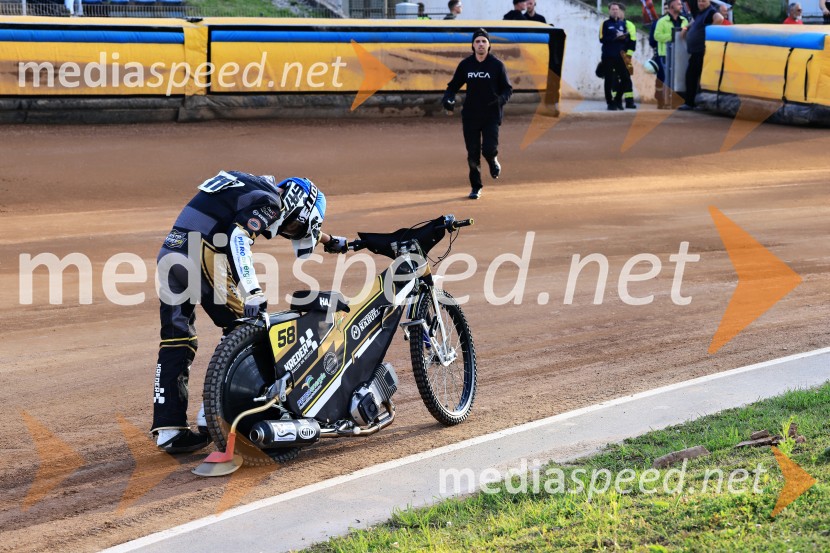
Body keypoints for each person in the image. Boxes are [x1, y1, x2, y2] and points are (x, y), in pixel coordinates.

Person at [151, 171, 347, 453]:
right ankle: (213, 414)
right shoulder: (271, 201)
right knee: (247, 327)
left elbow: (279, 220)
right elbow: (238, 237)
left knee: (177, 341)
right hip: (200, 253)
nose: (287, 229)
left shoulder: (252, 186)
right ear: (297, 202)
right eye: (294, 225)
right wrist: (252, 290)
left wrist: (328, 240)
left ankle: (169, 431)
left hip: (171, 252)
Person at [442, 29, 513, 200]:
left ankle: (492, 160)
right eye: (477, 41)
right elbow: (452, 86)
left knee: (488, 149)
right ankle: (476, 186)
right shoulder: (466, 65)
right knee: (472, 153)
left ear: (489, 45)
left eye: (484, 41)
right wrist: (448, 98)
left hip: (491, 115)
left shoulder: (497, 65)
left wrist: (500, 100)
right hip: (470, 115)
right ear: (473, 45)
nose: (481, 44)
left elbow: (507, 89)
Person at [678, 0, 723, 110]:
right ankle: (693, 103)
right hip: (696, 51)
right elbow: (694, 22)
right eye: (699, 1)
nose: (700, 3)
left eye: (703, 1)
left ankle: (695, 103)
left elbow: (720, 18)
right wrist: (685, 28)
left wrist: (709, 33)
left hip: (702, 51)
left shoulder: (711, 12)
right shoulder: (701, 13)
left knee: (695, 77)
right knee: (692, 77)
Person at [654, 0, 689, 108]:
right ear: (672, 6)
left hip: (680, 54)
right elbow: (657, 36)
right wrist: (674, 37)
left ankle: (675, 101)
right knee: (666, 79)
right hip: (665, 54)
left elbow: (686, 33)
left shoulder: (684, 20)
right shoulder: (662, 21)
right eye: (678, 4)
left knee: (678, 79)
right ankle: (664, 101)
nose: (681, 6)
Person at [599, 2, 633, 111]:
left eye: (616, 9)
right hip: (608, 56)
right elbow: (601, 39)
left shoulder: (622, 24)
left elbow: (627, 40)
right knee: (609, 79)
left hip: (620, 56)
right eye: (613, 9)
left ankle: (618, 99)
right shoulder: (605, 24)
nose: (615, 11)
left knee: (625, 78)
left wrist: (624, 37)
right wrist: (614, 37)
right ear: (609, 11)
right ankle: (610, 102)